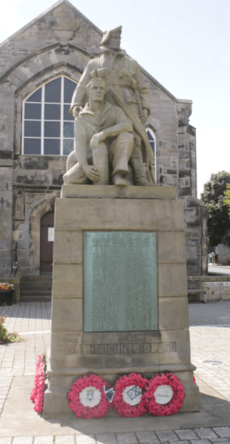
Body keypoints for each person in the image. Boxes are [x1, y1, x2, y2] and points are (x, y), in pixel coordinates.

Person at [69, 26, 154, 186]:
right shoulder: (94, 63)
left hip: (129, 106)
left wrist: (145, 107)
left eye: (119, 38)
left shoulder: (131, 64)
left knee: (134, 139)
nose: (118, 40)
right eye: (115, 37)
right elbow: (82, 85)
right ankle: (108, 175)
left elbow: (143, 88)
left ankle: (139, 177)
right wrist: (76, 104)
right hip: (104, 104)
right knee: (103, 141)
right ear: (107, 40)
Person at [63, 75, 134, 186]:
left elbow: (128, 125)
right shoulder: (81, 117)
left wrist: (104, 133)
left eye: (101, 88)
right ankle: (95, 179)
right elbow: (79, 144)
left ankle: (118, 175)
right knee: (68, 179)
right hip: (90, 157)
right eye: (95, 88)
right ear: (88, 92)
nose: (99, 91)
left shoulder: (114, 110)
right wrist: (85, 167)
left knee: (127, 136)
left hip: (113, 154)